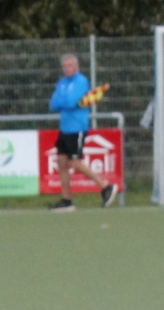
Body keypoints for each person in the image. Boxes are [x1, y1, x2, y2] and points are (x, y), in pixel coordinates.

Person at [48, 54, 116, 211]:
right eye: (64, 66)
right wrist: (65, 102)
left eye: (70, 65)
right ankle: (67, 200)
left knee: (74, 162)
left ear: (76, 66)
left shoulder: (81, 81)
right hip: (64, 128)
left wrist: (65, 102)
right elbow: (53, 103)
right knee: (61, 162)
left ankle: (106, 186)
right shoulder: (62, 82)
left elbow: (72, 101)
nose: (67, 69)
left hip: (77, 128)